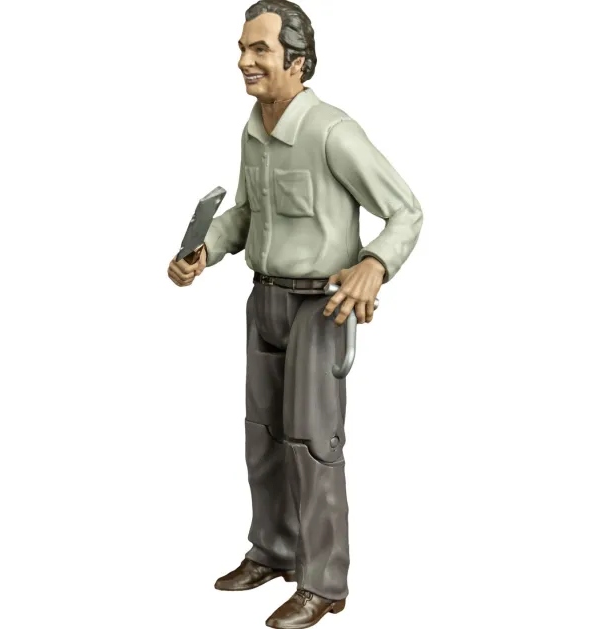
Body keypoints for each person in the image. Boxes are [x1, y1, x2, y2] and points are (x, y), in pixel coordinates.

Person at [167, 1, 423, 627]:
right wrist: (206, 249)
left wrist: (375, 264)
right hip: (264, 300)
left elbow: (406, 212)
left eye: (259, 49)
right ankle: (274, 549)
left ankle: (324, 581)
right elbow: (247, 213)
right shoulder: (254, 129)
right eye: (242, 47)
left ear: (297, 61)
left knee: (312, 443)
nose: (244, 60)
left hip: (320, 306)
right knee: (262, 435)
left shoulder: (332, 132)